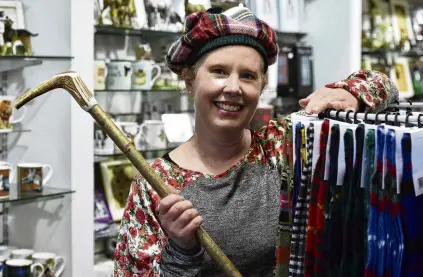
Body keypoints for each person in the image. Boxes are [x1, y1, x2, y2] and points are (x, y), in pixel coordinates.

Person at [113, 6, 398, 277]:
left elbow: (383, 83)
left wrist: (350, 92)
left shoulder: (283, 145)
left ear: (261, 86)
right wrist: (180, 252)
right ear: (190, 81)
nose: (233, 88)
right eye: (219, 71)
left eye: (248, 76)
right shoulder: (154, 186)